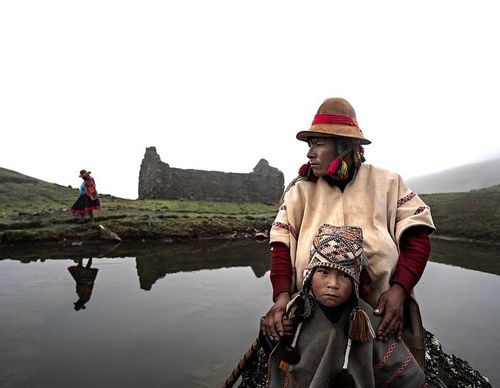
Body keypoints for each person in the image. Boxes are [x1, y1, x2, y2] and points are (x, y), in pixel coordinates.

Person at [262, 97, 435, 370]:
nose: (310, 153)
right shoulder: (301, 191)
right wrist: (282, 297)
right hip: (314, 312)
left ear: (344, 147)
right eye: (310, 144)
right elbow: (282, 245)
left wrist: (400, 289)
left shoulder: (387, 183)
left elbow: (417, 237)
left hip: (379, 312)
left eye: (319, 144)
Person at [267, 224, 426, 387]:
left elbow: (406, 376)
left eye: (344, 275)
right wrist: (276, 333)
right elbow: (271, 341)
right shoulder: (296, 311)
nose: (333, 284)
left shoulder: (368, 321)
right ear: (310, 275)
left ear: (356, 283)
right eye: (323, 272)